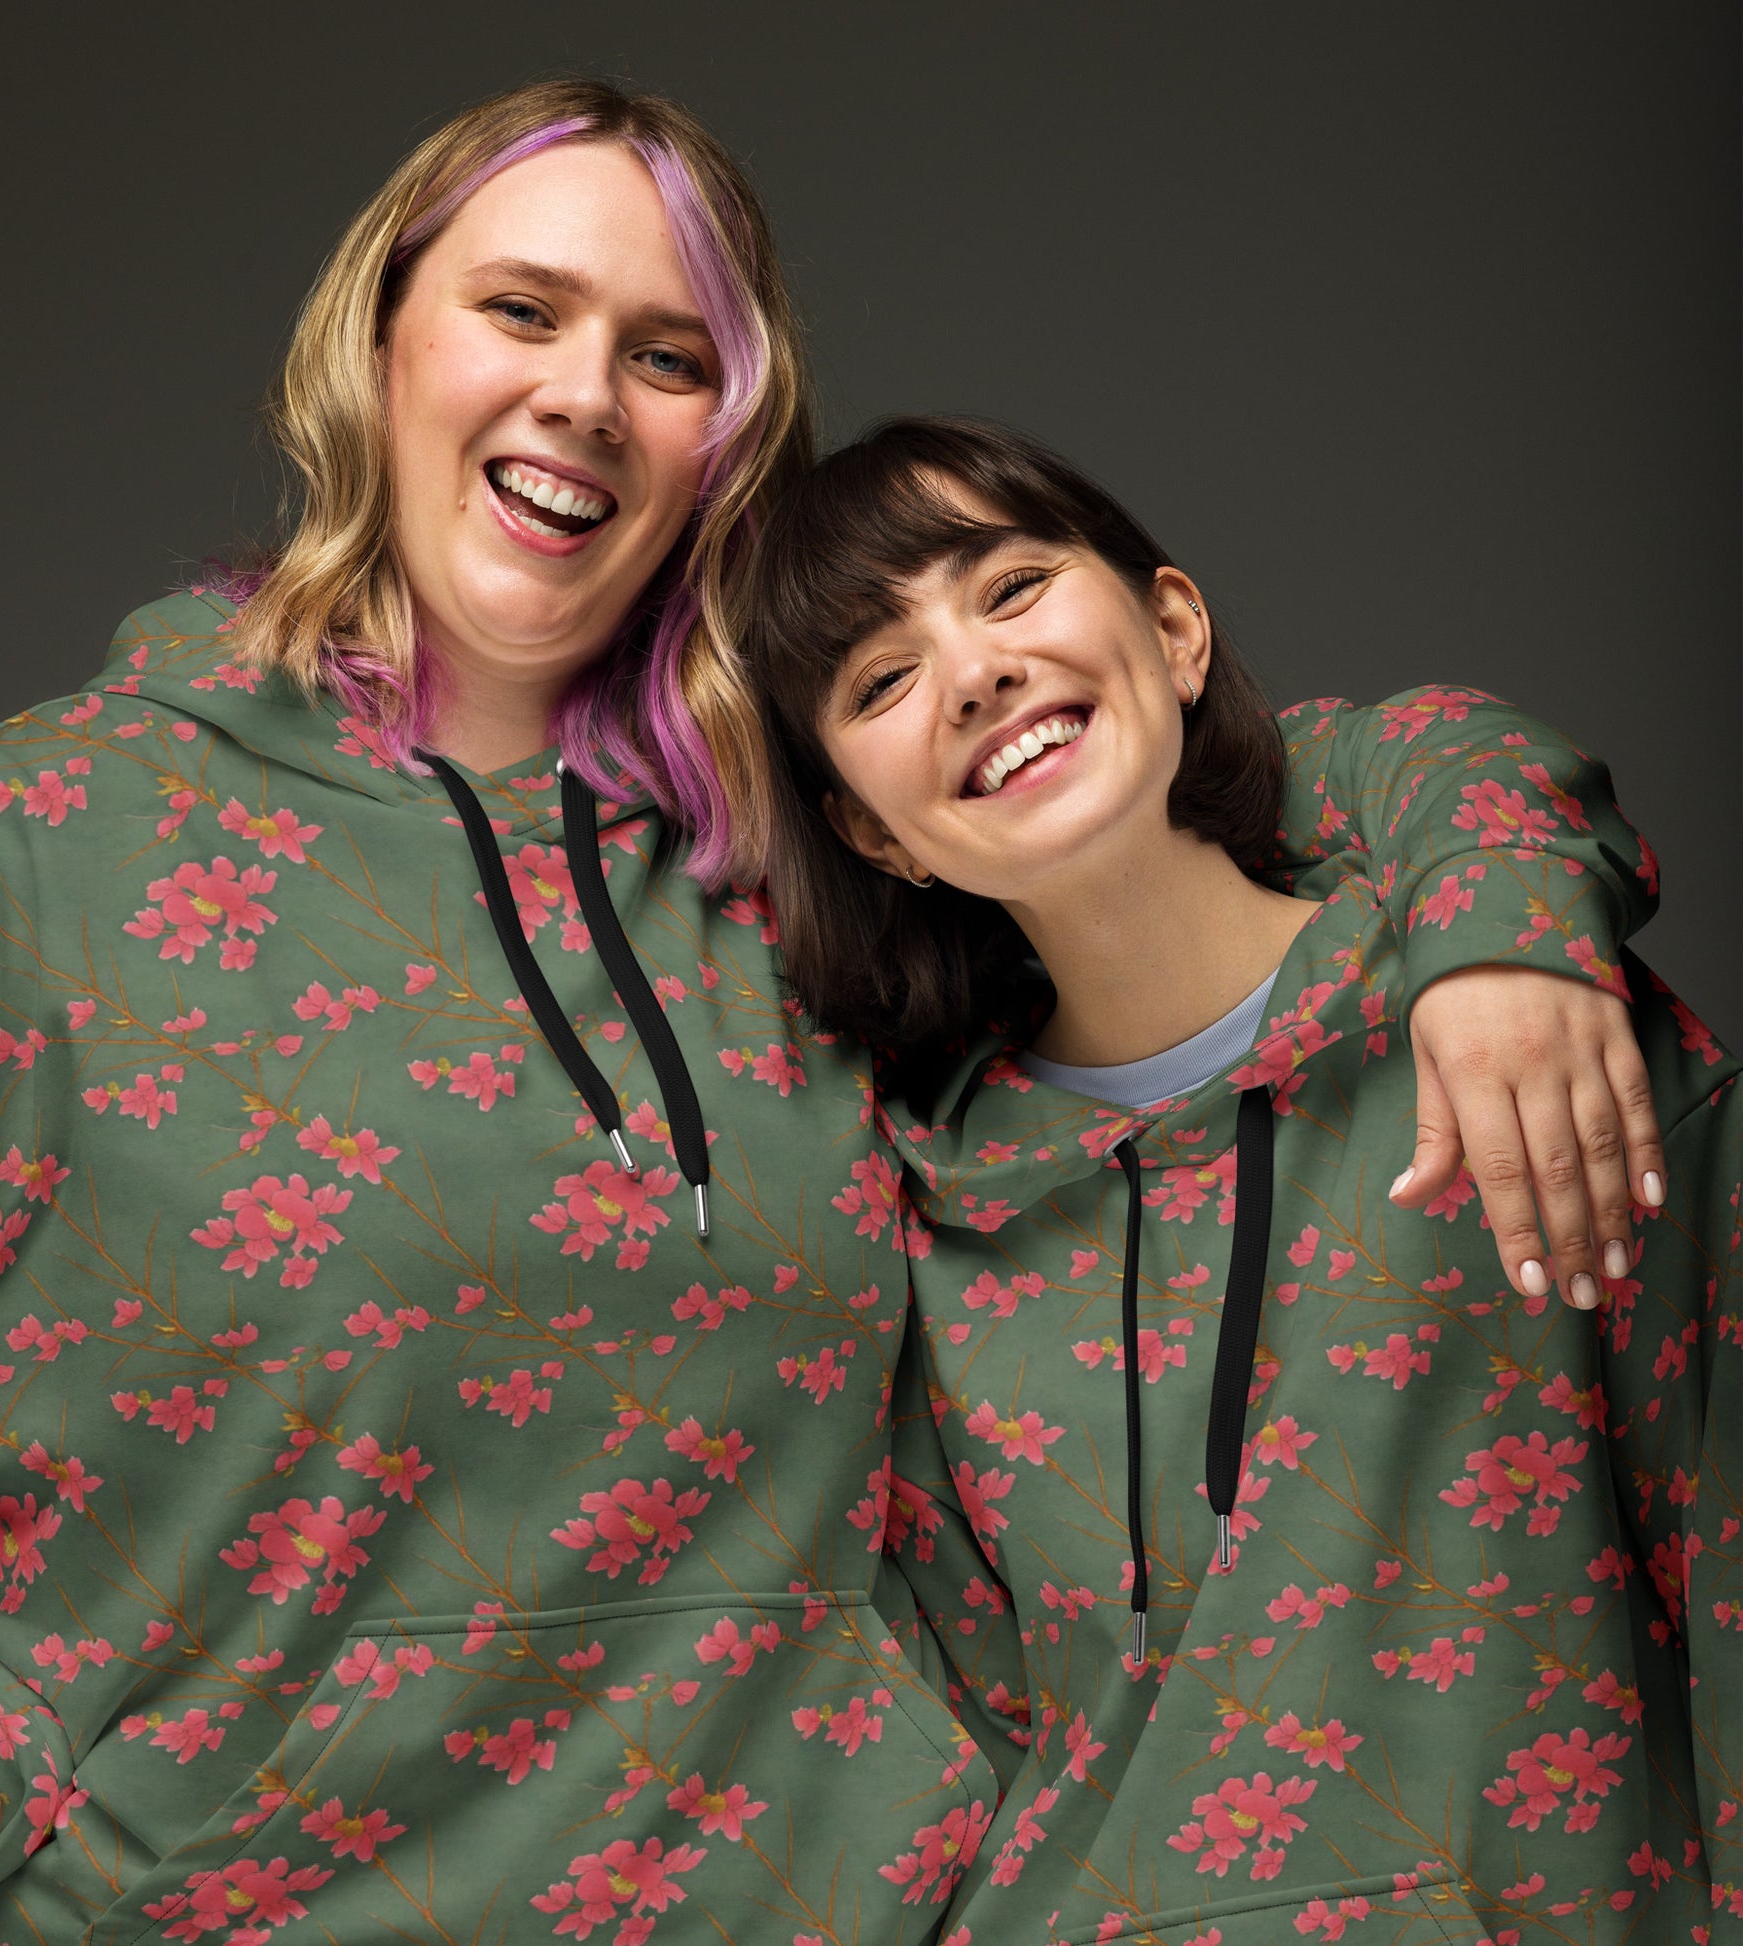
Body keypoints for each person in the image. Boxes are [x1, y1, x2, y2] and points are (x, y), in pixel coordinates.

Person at [0, 84, 1678, 1946]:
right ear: (376, 343)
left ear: (726, 443)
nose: (584, 395)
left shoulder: (804, 861)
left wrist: (1503, 913)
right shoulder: (7, 863)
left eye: (667, 356)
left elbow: (1211, 781)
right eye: (520, 310)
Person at [740, 415, 1739, 1941]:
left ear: (1172, 628)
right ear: (876, 833)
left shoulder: (1517, 1022)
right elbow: (957, 1745)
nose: (972, 672)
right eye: (879, 680)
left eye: (1009, 588)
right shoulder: (917, 1233)